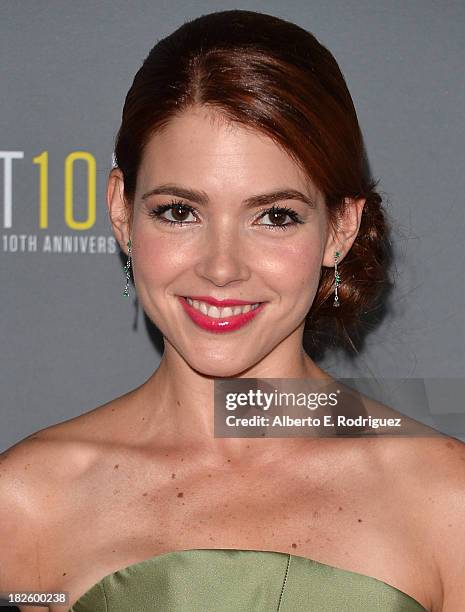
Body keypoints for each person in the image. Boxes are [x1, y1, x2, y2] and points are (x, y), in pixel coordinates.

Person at [1, 9, 464, 612]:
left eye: (275, 216)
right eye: (178, 211)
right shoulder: (29, 502)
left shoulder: (446, 502)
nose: (221, 268)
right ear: (121, 211)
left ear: (340, 229)